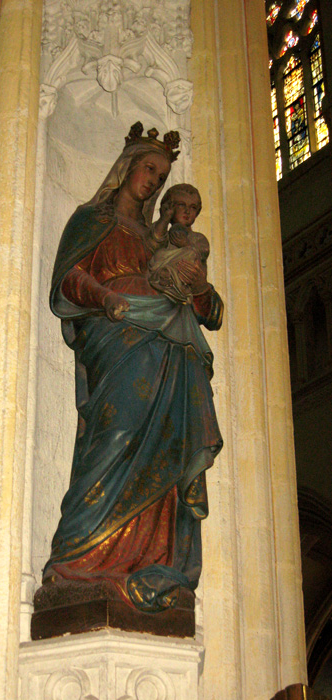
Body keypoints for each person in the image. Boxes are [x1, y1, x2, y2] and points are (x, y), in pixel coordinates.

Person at [43, 122, 223, 613]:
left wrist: (196, 283)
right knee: (116, 435)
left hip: (167, 351)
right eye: (149, 169)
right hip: (117, 342)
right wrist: (108, 298)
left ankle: (149, 561)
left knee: (164, 448)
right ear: (127, 168)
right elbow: (68, 280)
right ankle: (75, 560)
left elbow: (207, 308)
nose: (154, 181)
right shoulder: (92, 219)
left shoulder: (160, 238)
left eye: (162, 176)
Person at [148, 184, 211, 304]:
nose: (187, 211)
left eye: (193, 207)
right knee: (159, 254)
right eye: (182, 205)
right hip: (159, 288)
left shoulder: (197, 237)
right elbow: (154, 242)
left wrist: (186, 244)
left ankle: (171, 280)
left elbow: (202, 252)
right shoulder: (164, 234)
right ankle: (164, 277)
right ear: (170, 207)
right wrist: (165, 219)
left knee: (191, 253)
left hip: (185, 282)